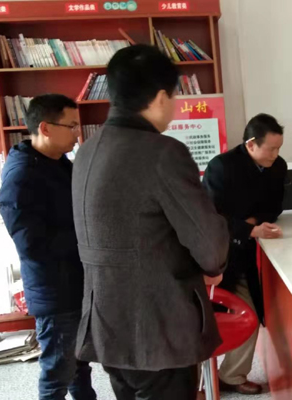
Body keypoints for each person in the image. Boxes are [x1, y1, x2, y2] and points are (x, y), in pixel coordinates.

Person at [71, 44, 229, 400]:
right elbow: (211, 247)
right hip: (158, 326)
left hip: (107, 323)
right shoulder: (162, 153)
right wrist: (213, 264)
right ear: (160, 98)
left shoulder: (87, 150)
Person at [0, 94, 96, 400]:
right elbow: (32, 245)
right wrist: (85, 235)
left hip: (75, 284)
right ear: (45, 128)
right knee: (57, 373)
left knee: (79, 366)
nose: (77, 132)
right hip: (55, 292)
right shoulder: (22, 176)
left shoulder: (58, 162)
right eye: (71, 125)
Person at [203, 113, 286, 395]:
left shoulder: (278, 166)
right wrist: (248, 228)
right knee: (203, 322)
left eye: (279, 148)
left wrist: (252, 223)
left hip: (245, 257)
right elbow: (211, 217)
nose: (275, 155)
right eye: (270, 149)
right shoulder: (222, 167)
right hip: (215, 258)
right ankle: (196, 382)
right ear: (251, 144)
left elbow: (275, 206)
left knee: (248, 315)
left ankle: (232, 375)